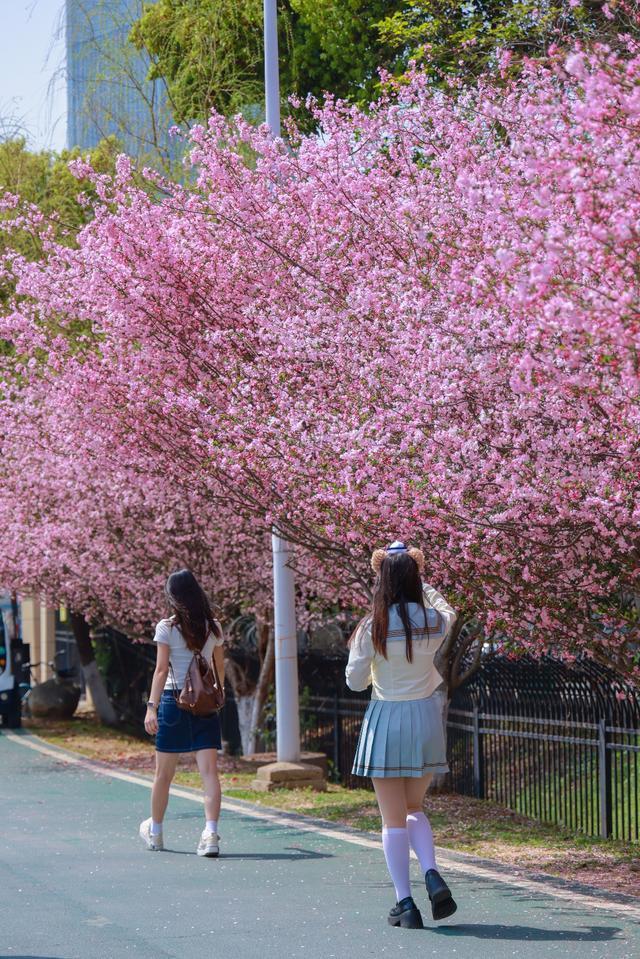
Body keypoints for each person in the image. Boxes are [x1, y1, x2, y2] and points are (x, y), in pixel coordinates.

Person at [346, 541, 457, 929]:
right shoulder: (433, 621)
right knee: (415, 809)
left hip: (387, 719)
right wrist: (421, 585)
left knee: (392, 819)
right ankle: (431, 871)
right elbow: (448, 611)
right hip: (425, 718)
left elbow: (355, 682)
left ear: (382, 580)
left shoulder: (371, 626)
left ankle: (405, 904)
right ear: (416, 579)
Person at [139, 569, 225, 857]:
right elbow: (219, 667)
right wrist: (218, 694)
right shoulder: (213, 627)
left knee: (163, 774)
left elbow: (162, 669)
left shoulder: (167, 627)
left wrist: (151, 708)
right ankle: (210, 834)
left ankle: (156, 832)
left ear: (173, 596)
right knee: (209, 773)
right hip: (204, 704)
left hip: (172, 701)